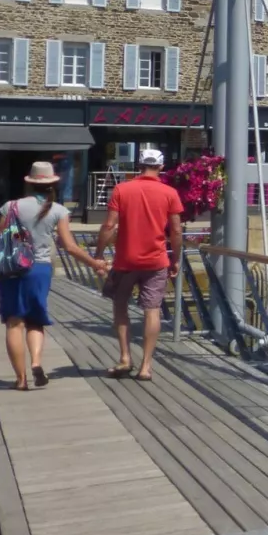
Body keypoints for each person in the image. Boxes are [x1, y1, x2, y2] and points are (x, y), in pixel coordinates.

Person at [0, 162, 107, 390]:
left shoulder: (11, 206)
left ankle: (21, 380)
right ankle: (36, 362)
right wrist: (95, 264)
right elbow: (70, 247)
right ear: (52, 184)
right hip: (40, 269)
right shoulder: (59, 211)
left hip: (11, 269)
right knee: (35, 321)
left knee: (14, 323)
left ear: (29, 183)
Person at [94, 148, 183, 382]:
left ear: (139, 165)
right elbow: (176, 230)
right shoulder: (170, 193)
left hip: (125, 261)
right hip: (156, 261)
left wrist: (99, 254)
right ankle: (146, 366)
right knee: (151, 310)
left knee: (120, 306)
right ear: (161, 167)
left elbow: (109, 226)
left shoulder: (122, 190)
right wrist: (176, 259)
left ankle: (125, 357)